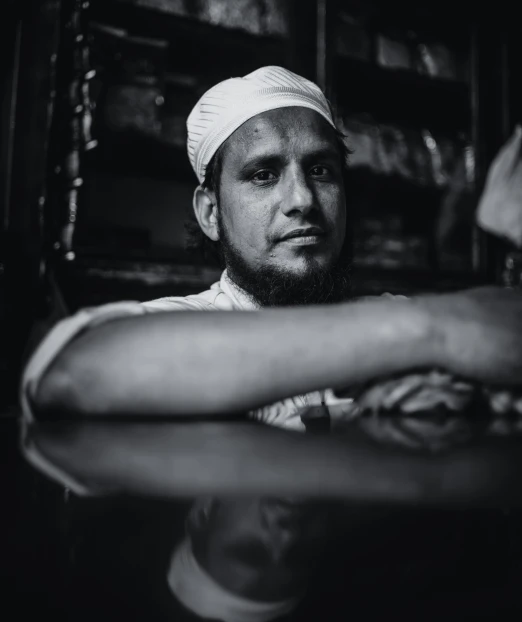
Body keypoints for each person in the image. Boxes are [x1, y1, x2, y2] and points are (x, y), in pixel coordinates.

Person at [21, 66, 522, 423]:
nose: (302, 198)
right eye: (263, 175)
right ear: (211, 213)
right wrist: (429, 329)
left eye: (321, 170)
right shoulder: (182, 322)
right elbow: (71, 372)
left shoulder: (402, 317)